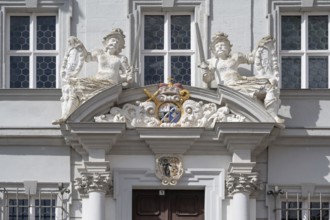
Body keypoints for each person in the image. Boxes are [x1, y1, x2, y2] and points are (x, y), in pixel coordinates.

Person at [52, 28, 134, 125]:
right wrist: (81, 46)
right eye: (113, 40)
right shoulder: (99, 53)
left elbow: (127, 76)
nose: (115, 43)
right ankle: (65, 116)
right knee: (73, 89)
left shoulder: (121, 58)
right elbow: (87, 57)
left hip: (110, 85)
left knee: (76, 89)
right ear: (107, 42)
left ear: (119, 46)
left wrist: (128, 78)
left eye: (117, 42)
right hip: (96, 81)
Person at [201, 32, 284, 123]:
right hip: (227, 88)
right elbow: (207, 81)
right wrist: (206, 73)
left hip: (240, 82)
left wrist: (260, 47)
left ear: (228, 48)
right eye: (217, 46)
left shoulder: (235, 57)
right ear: (213, 50)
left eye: (223, 45)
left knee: (269, 87)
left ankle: (273, 116)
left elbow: (251, 58)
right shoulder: (211, 62)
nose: (220, 47)